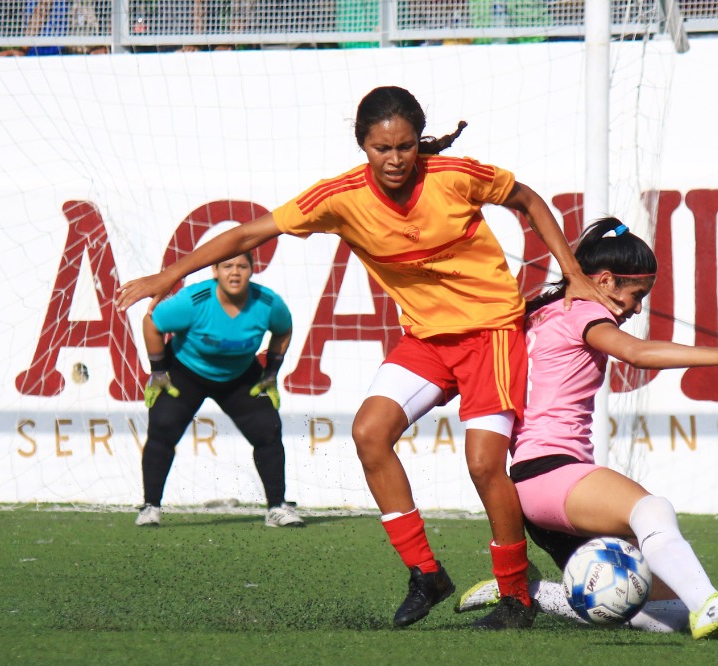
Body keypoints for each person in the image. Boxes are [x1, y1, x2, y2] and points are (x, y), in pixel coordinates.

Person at [116, 85, 609, 629]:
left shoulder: (456, 175)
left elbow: (529, 200)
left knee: (484, 465)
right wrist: (169, 276)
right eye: (381, 148)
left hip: (489, 334)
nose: (395, 159)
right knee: (370, 433)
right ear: (363, 146)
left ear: (417, 143)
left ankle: (516, 596)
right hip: (426, 340)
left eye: (404, 147)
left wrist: (574, 275)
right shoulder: (339, 197)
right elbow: (248, 232)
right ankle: (426, 573)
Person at [458, 217, 718, 637]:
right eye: (636, 295)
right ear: (607, 280)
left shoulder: (541, 312)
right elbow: (636, 352)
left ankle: (535, 592)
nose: (637, 307)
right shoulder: (584, 312)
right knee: (651, 509)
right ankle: (708, 602)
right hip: (551, 473)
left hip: (538, 489)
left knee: (665, 615)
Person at [136, 252, 305, 529]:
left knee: (268, 430)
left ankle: (277, 507)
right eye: (227, 266)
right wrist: (158, 371)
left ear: (252, 270)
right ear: (215, 271)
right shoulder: (193, 301)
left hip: (239, 377)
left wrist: (271, 372)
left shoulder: (267, 303)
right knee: (162, 427)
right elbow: (152, 323)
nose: (234, 273)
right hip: (185, 373)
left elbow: (283, 329)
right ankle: (150, 507)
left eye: (242, 266)